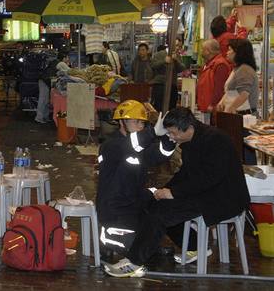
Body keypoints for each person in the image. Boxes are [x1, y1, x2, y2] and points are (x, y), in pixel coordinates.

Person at [104, 107, 250, 278]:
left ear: (188, 128)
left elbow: (209, 178)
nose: (171, 138)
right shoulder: (190, 140)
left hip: (223, 197)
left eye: (173, 133)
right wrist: (164, 191)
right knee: (153, 203)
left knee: (161, 214)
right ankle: (195, 247)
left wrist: (173, 192)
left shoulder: (218, 141)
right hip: (202, 191)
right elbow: (186, 174)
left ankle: (134, 262)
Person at [96, 100, 176, 259]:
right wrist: (152, 132)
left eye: (143, 123)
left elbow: (160, 154)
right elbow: (130, 146)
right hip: (115, 210)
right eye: (136, 121)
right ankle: (112, 245)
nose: (140, 126)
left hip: (134, 204)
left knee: (165, 204)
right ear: (122, 122)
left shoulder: (139, 146)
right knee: (137, 249)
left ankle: (147, 242)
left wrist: (169, 137)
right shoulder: (110, 146)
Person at [216, 38, 258, 115]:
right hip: (236, 114)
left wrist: (230, 108)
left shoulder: (244, 70)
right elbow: (231, 91)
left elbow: (244, 94)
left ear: (238, 52)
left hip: (243, 116)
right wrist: (222, 102)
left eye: (229, 50)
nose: (227, 53)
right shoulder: (237, 68)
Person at [197, 39, 231, 113]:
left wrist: (213, 105)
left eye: (203, 49)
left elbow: (219, 88)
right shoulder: (208, 64)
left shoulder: (220, 65)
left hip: (213, 110)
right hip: (206, 108)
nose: (201, 51)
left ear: (208, 51)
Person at [150, 45, 185, 112]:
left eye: (178, 45)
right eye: (176, 45)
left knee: (172, 107)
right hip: (160, 84)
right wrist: (164, 61)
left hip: (172, 85)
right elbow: (153, 65)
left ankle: (169, 121)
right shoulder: (159, 54)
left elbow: (182, 68)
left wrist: (175, 60)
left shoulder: (177, 55)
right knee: (158, 107)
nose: (177, 47)